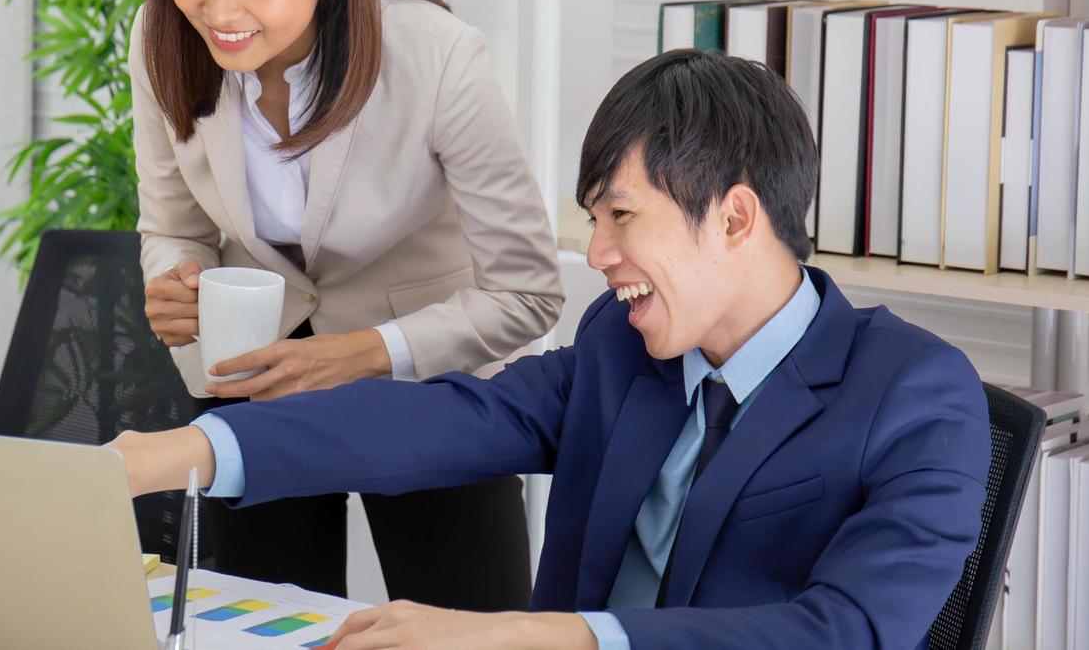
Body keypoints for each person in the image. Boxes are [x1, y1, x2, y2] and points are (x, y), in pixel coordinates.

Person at [113, 49, 991, 649]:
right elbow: (444, 421)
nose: (599, 255)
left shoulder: (916, 396)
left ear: (733, 216)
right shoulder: (624, 350)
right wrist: (180, 453)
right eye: (593, 220)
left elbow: (841, 633)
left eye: (621, 217)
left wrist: (522, 635)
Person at [129, 0, 563, 609]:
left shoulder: (438, 60)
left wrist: (363, 352)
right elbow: (173, 223)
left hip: (430, 391)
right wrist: (175, 277)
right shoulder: (160, 38)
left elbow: (528, 291)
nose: (219, 10)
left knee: (469, 630)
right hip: (254, 386)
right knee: (259, 626)